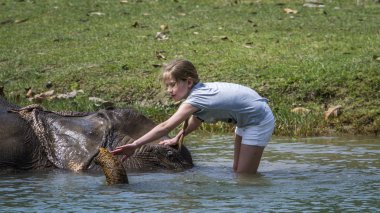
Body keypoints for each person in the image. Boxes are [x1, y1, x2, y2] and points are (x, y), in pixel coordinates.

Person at [111, 59, 275, 174]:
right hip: (245, 120)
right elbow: (197, 119)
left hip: (258, 121)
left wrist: (135, 145)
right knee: (237, 171)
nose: (169, 90)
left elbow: (165, 126)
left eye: (173, 85)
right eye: (167, 86)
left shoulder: (197, 98)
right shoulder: (198, 96)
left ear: (189, 82)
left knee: (245, 176)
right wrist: (178, 137)